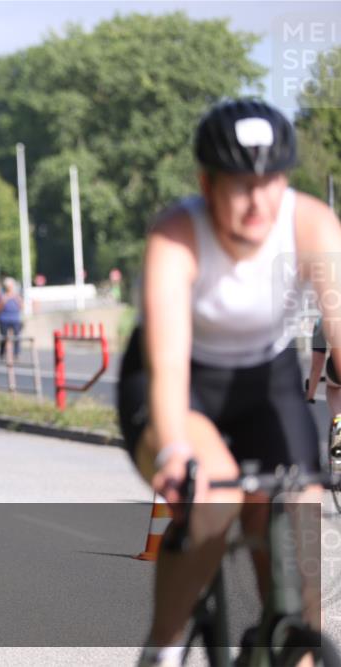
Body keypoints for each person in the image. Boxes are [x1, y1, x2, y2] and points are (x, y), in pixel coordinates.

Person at [116, 99, 341, 666]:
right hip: (181, 382)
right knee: (214, 497)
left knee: (299, 515)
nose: (257, 201)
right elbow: (169, 365)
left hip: (265, 381)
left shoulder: (312, 224)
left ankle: (289, 643)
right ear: (206, 183)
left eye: (270, 182)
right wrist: (173, 452)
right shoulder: (176, 235)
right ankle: (164, 647)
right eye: (240, 185)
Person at [305, 316, 341, 454]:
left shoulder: (323, 321)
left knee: (333, 391)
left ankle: (338, 457)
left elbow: (317, 365)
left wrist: (310, 395)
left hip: (336, 370)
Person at [0, 277, 24, 359]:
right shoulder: (1, 296)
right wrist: (3, 301)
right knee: (3, 337)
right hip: (4, 319)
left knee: (17, 337)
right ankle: (2, 353)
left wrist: (18, 300)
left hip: (15, 319)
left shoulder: (17, 296)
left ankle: (16, 353)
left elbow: (22, 307)